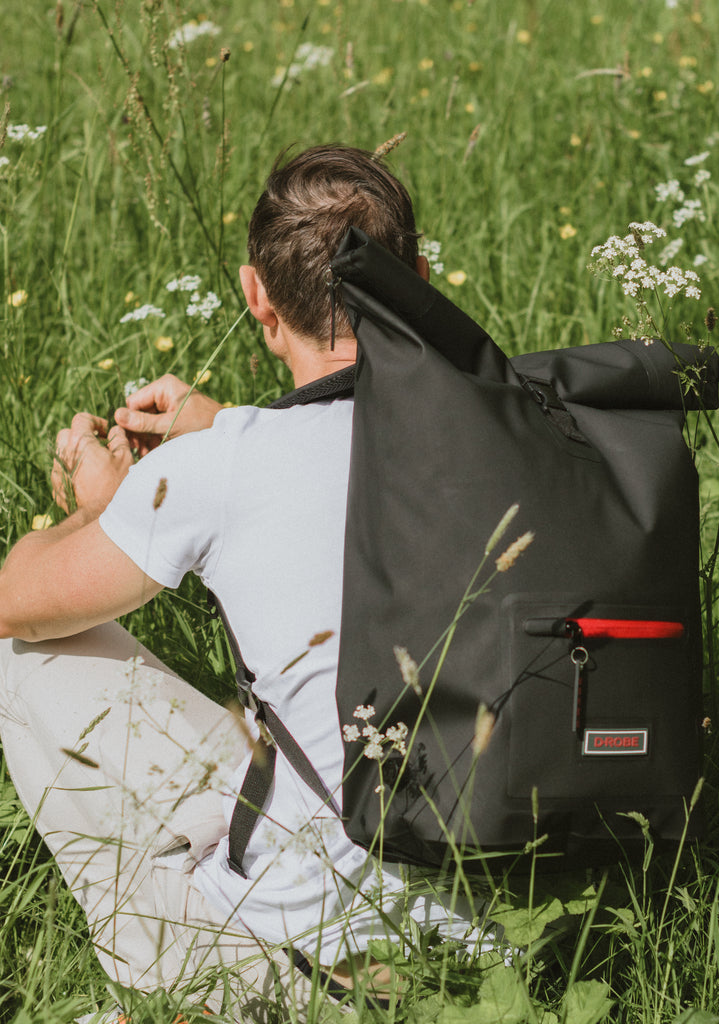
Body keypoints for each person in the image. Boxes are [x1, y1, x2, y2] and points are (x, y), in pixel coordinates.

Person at [0, 146, 480, 1020]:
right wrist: (218, 425)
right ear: (414, 275)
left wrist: (97, 509)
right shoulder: (511, 427)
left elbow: (14, 605)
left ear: (256, 295)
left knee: (21, 662)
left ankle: (176, 989)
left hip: (326, 966)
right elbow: (354, 455)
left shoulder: (225, 471)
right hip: (519, 946)